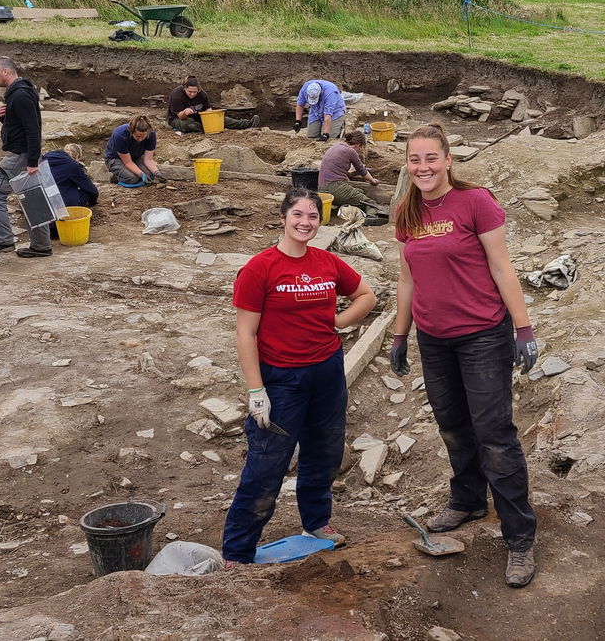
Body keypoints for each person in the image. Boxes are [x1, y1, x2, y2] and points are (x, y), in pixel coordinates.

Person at [389, 122, 539, 588]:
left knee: (494, 434)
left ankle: (519, 536)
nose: (423, 167)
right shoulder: (405, 212)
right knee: (453, 425)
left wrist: (523, 327)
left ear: (448, 159)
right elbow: (407, 279)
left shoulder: (476, 203)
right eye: (415, 159)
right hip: (434, 338)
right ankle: (469, 499)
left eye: (431, 158)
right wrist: (399, 336)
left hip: (481, 335)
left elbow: (501, 266)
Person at [222, 188, 376, 566]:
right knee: (267, 463)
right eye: (298, 215)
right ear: (283, 217)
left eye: (313, 217)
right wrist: (256, 390)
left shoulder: (327, 262)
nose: (305, 223)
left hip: (326, 371)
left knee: (324, 452)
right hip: (282, 378)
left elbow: (366, 296)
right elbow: (246, 333)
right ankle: (237, 552)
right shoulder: (260, 268)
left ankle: (316, 523)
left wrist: (338, 322)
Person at [0, 56, 52, 258]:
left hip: (20, 155)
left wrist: (31, 161)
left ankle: (1, 240)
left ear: (5, 72)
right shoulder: (19, 94)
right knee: (32, 197)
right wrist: (3, 116)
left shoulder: (20, 96)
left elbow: (33, 129)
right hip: (25, 154)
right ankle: (41, 245)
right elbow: (19, 126)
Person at [319, 131, 384, 214]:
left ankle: (343, 207)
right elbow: (362, 170)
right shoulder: (350, 151)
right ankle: (371, 216)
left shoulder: (336, 146)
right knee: (368, 202)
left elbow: (336, 168)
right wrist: (373, 181)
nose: (359, 150)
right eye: (360, 148)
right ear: (358, 145)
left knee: (360, 192)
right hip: (334, 188)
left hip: (322, 188)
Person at [168, 76, 259, 133]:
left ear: (198, 90)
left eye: (195, 92)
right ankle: (204, 129)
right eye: (190, 92)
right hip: (178, 118)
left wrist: (212, 119)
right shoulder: (177, 95)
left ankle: (246, 124)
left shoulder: (202, 94)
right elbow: (180, 116)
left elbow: (208, 109)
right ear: (184, 88)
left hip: (198, 116)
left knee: (219, 119)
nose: (192, 94)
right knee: (187, 124)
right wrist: (185, 112)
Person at [105, 116, 166, 186]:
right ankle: (116, 177)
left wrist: (157, 173)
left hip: (135, 157)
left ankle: (134, 173)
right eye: (137, 136)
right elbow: (128, 162)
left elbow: (148, 159)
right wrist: (141, 174)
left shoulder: (151, 134)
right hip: (116, 158)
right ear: (132, 131)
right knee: (132, 178)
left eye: (143, 136)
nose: (140, 139)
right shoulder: (120, 135)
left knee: (150, 175)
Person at [41, 143, 98, 208]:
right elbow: (91, 189)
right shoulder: (72, 166)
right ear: (78, 156)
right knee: (87, 192)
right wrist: (93, 202)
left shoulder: (47, 157)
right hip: (60, 204)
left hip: (42, 200)